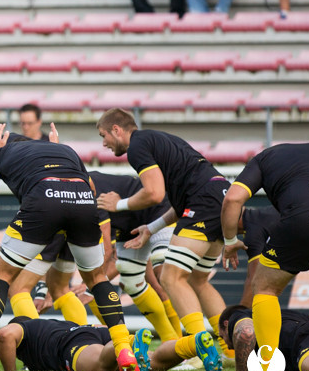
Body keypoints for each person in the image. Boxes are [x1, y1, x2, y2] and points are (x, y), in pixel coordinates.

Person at [0, 123, 139, 371]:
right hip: (82, 201)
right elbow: (91, 189)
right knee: (97, 279)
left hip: (44, 200)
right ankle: (123, 348)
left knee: (3, 277)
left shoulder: (2, 150)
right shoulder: (63, 149)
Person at [95, 110, 229, 350]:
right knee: (198, 280)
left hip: (203, 203)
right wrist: (151, 228)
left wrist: (119, 205)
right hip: (220, 197)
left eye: (103, 135)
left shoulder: (137, 147)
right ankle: (229, 349)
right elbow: (178, 204)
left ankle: (200, 351)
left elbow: (154, 194)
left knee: (171, 277)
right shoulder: (157, 140)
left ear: (117, 129)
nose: (103, 142)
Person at [219, 143, 309, 361]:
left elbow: (232, 199)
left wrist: (230, 240)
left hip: (303, 217)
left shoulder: (263, 159)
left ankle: (268, 367)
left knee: (265, 288)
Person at [90, 170, 179, 344]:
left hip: (158, 213)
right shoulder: (72, 193)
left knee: (166, 276)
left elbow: (107, 251)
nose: (105, 143)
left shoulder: (86, 195)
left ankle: (194, 346)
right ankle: (173, 343)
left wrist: (93, 284)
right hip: (129, 225)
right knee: (131, 280)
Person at [217, 304, 309, 371]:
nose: (227, 346)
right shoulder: (285, 313)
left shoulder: (239, 315)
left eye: (222, 337)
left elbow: (246, 332)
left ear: (227, 324)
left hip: (304, 339)